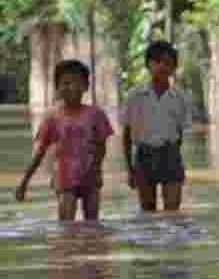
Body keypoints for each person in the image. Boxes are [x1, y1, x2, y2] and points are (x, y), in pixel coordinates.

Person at [15, 60, 114, 221]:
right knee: (66, 227)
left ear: (86, 86)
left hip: (90, 178)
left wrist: (96, 170)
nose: (72, 87)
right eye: (66, 83)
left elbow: (101, 147)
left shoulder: (96, 114)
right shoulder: (52, 116)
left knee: (93, 226)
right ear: (57, 87)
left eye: (77, 83)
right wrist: (24, 182)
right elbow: (40, 152)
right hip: (64, 179)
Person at [122, 40, 194, 212]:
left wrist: (174, 157)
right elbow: (126, 135)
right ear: (148, 64)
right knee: (148, 211)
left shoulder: (180, 98)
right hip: (144, 156)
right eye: (157, 62)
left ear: (174, 68)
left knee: (173, 211)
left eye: (168, 63)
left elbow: (180, 133)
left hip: (170, 155)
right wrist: (130, 170)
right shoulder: (134, 96)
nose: (162, 66)